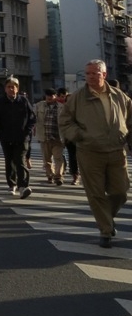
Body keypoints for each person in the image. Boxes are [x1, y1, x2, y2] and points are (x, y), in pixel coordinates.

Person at [58, 60, 132, 248]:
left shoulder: (119, 96)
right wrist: (80, 136)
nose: (90, 77)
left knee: (120, 191)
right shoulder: (77, 97)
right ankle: (105, 230)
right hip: (90, 152)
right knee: (96, 193)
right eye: (88, 74)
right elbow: (65, 121)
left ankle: (107, 218)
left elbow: (130, 119)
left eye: (94, 73)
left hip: (116, 151)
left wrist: (127, 138)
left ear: (104, 75)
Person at [0, 76, 36, 198]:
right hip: (6, 137)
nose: (11, 89)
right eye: (9, 87)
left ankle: (23, 186)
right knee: (9, 162)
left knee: (20, 161)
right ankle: (12, 184)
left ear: (17, 88)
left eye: (13, 87)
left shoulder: (24, 101)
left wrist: (27, 131)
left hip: (22, 137)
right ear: (5, 89)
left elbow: (32, 118)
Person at [34, 88, 64, 185]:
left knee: (58, 158)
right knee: (47, 160)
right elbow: (33, 117)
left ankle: (58, 177)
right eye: (47, 96)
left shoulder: (61, 107)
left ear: (55, 96)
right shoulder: (39, 106)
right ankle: (50, 175)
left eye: (51, 96)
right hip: (44, 137)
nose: (49, 98)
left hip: (57, 138)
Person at [57, 88, 79, 183]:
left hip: (81, 138)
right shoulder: (63, 111)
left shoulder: (81, 110)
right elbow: (62, 125)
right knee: (72, 157)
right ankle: (75, 175)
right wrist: (64, 137)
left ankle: (84, 175)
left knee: (83, 157)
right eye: (67, 100)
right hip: (69, 139)